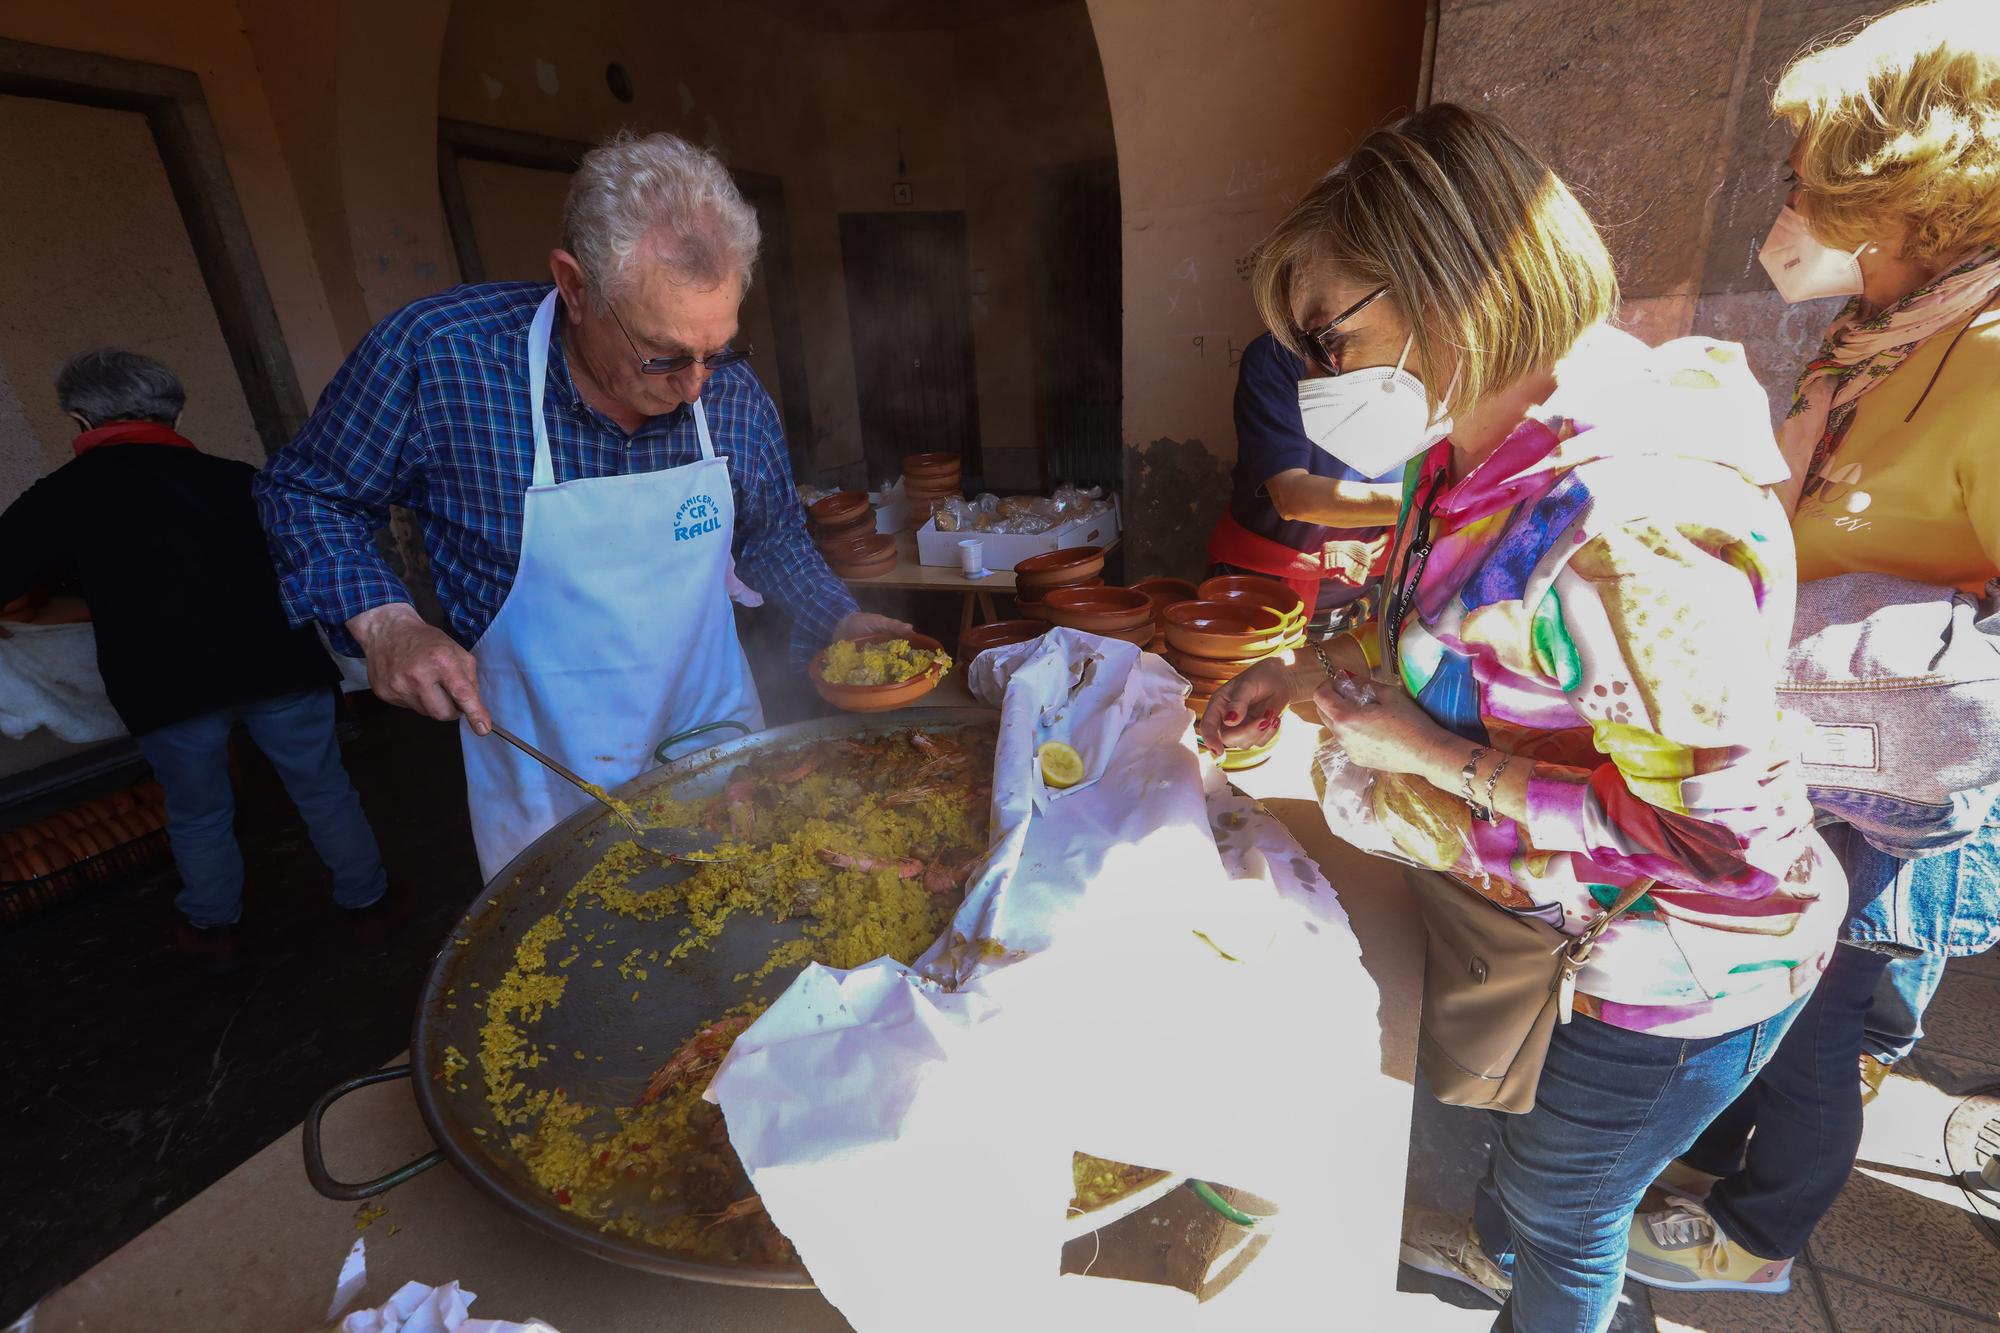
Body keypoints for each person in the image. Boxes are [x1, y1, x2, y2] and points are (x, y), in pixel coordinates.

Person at [1198, 104, 1843, 1333]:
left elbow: (1724, 849)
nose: (1319, 380)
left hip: (1673, 969)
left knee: (1567, 1215)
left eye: (1330, 339)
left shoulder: (1630, 531)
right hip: (1564, 926)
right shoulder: (1474, 441)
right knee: (1527, 1174)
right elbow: (1433, 626)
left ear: (1448, 285)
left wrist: (1433, 757)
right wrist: (1307, 670)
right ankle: (1511, 1239)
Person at [255, 132, 905, 883]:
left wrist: (838, 615)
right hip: (549, 777)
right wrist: (386, 620)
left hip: (716, 748)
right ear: (574, 285)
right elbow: (306, 492)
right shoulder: (441, 359)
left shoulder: (727, 397)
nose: (695, 385)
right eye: (662, 355)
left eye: (718, 350)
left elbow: (773, 534)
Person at [1626, 0, 2000, 1292]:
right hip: (1804, 727)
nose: (1783, 210)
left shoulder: (1993, 359)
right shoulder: (1890, 333)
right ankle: (1734, 1150)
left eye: (1808, 184)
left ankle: (1763, 1235)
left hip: (1889, 770)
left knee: (1823, 991)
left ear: (1905, 198)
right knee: (1789, 972)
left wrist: (1896, 633)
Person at [0, 350, 388, 972]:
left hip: (163, 679)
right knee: (322, 787)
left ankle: (215, 930)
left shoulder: (61, 497)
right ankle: (369, 906)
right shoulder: (238, 479)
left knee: (198, 808)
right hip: (276, 659)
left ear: (79, 419)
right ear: (171, 413)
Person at [1204, 332, 1401, 634]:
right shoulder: (1279, 355)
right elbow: (1292, 498)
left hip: (1369, 604)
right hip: (1261, 606)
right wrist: (1421, 501)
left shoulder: (1416, 367)